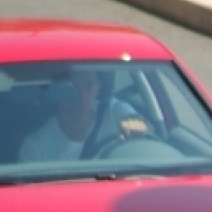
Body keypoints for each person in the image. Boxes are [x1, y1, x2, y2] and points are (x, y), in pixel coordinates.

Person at [18, 68, 146, 163]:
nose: (82, 95)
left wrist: (135, 127)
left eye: (89, 85)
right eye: (73, 87)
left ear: (98, 87)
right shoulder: (35, 147)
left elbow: (143, 127)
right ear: (57, 90)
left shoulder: (114, 111)